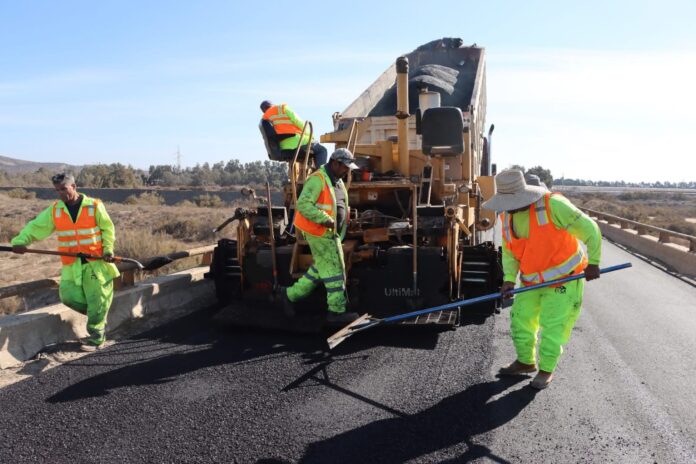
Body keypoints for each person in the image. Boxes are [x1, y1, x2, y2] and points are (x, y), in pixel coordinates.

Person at [483, 169, 601, 389]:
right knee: (520, 320)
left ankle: (546, 370)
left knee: (553, 326)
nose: (509, 207)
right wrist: (509, 279)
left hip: (564, 279)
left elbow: (590, 228)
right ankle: (526, 362)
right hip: (530, 281)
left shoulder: (554, 206)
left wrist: (593, 262)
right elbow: (510, 251)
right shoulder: (507, 215)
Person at [11, 173, 120, 351]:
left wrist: (108, 249)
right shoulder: (56, 210)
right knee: (68, 296)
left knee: (97, 298)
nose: (61, 193)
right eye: (57, 190)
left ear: (74, 186)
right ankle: (98, 313)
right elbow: (37, 227)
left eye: (64, 189)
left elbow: (108, 229)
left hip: (95, 262)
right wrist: (20, 242)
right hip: (72, 264)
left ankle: (96, 338)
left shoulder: (94, 206)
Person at [284, 148, 359, 324]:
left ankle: (289, 295)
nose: (347, 170)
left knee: (319, 270)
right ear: (335, 163)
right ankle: (336, 312)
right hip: (320, 233)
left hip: (332, 234)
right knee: (335, 272)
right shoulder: (317, 179)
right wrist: (324, 219)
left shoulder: (337, 181)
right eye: (345, 167)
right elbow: (303, 204)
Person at [260, 100, 328, 166]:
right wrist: (311, 136)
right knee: (322, 150)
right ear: (272, 105)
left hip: (283, 149)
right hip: (298, 143)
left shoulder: (265, 118)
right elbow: (299, 123)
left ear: (263, 111)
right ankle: (321, 175)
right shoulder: (282, 108)